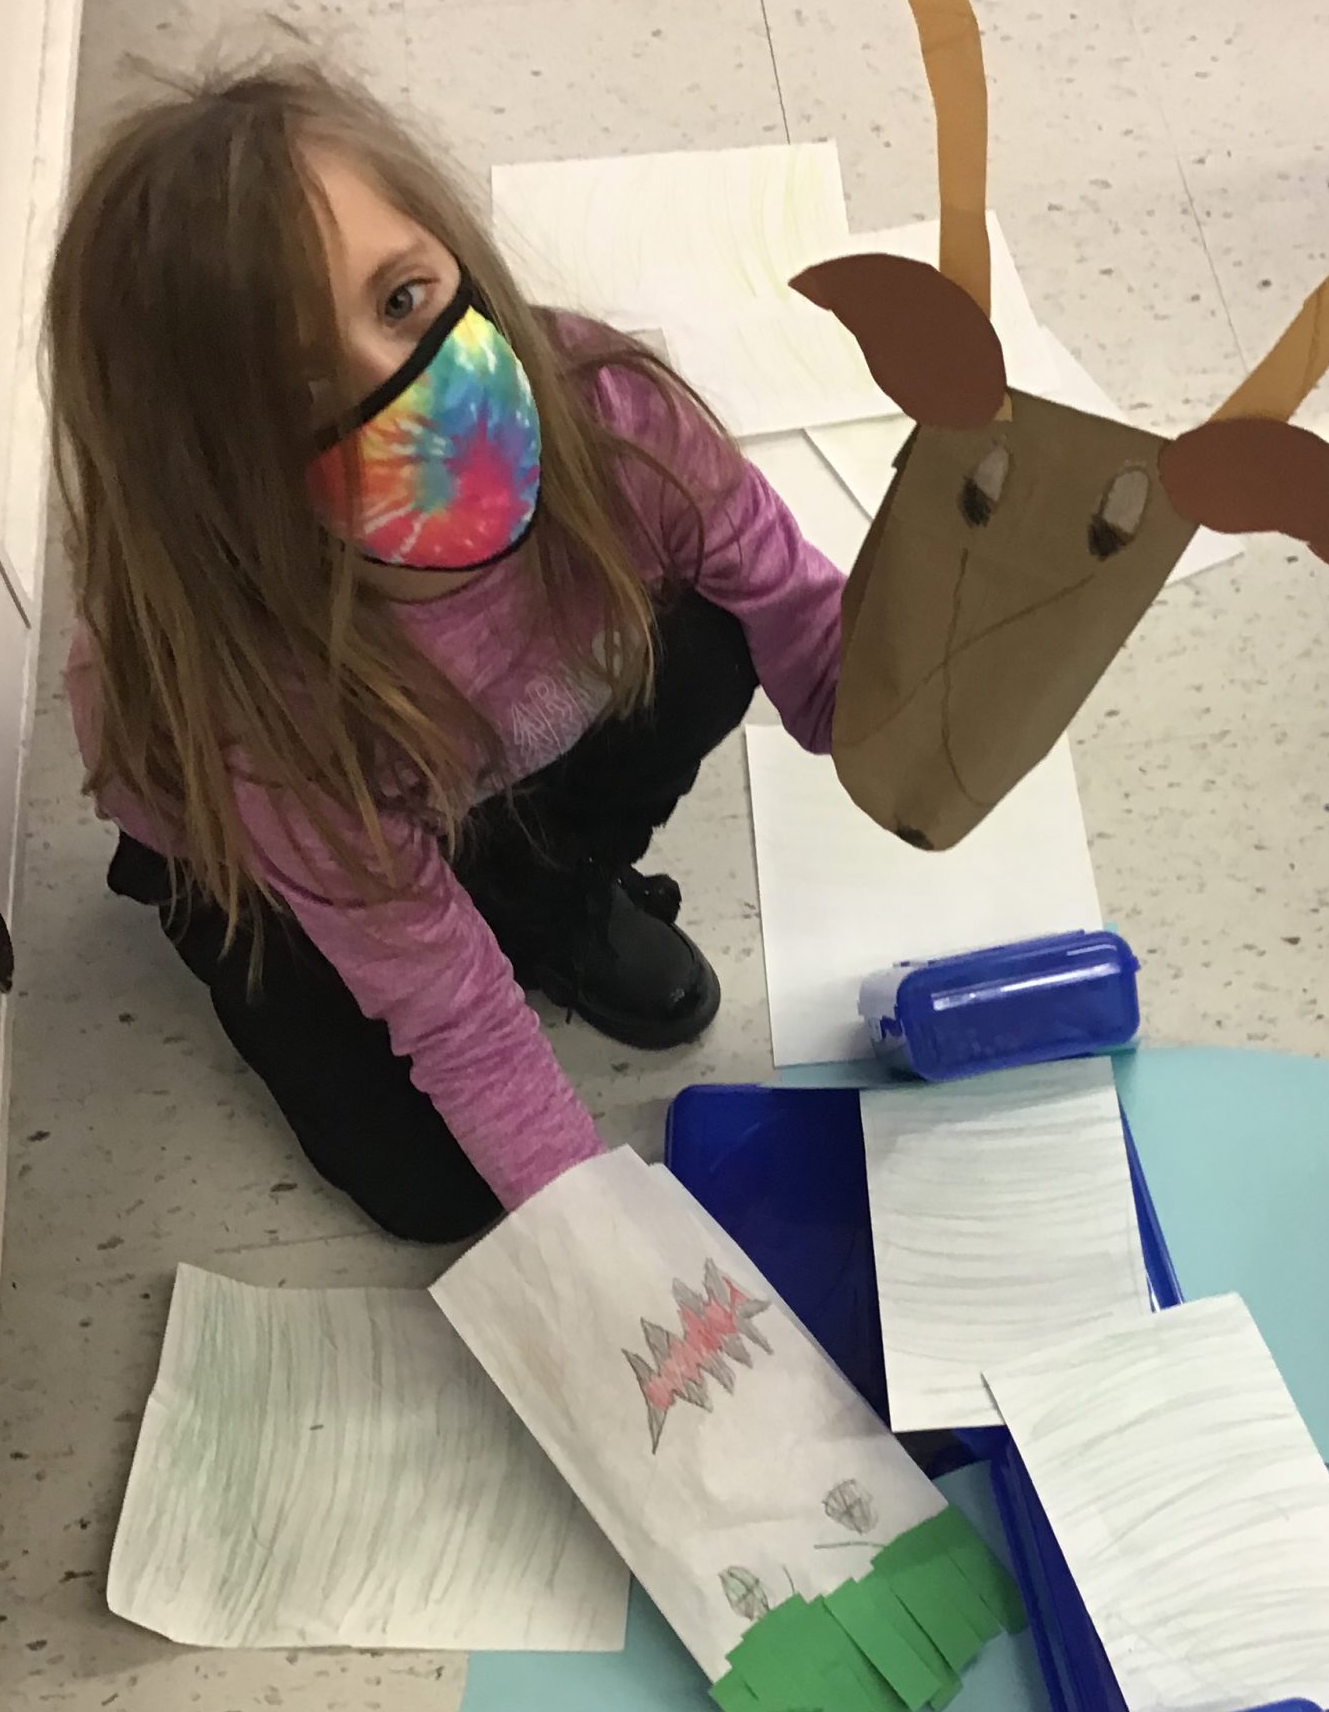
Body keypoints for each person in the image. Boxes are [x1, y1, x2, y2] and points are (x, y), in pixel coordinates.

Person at [46, 62, 842, 1244]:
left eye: (403, 297)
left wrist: (955, 700)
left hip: (457, 753)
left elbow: (820, 650)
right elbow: (456, 1021)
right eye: (300, 385)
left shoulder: (621, 420)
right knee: (440, 1192)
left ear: (452, 245)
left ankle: (544, 894)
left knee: (712, 637)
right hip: (253, 834)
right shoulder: (263, 705)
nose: (404, 390)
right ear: (215, 470)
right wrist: (609, 1258)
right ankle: (250, 928)